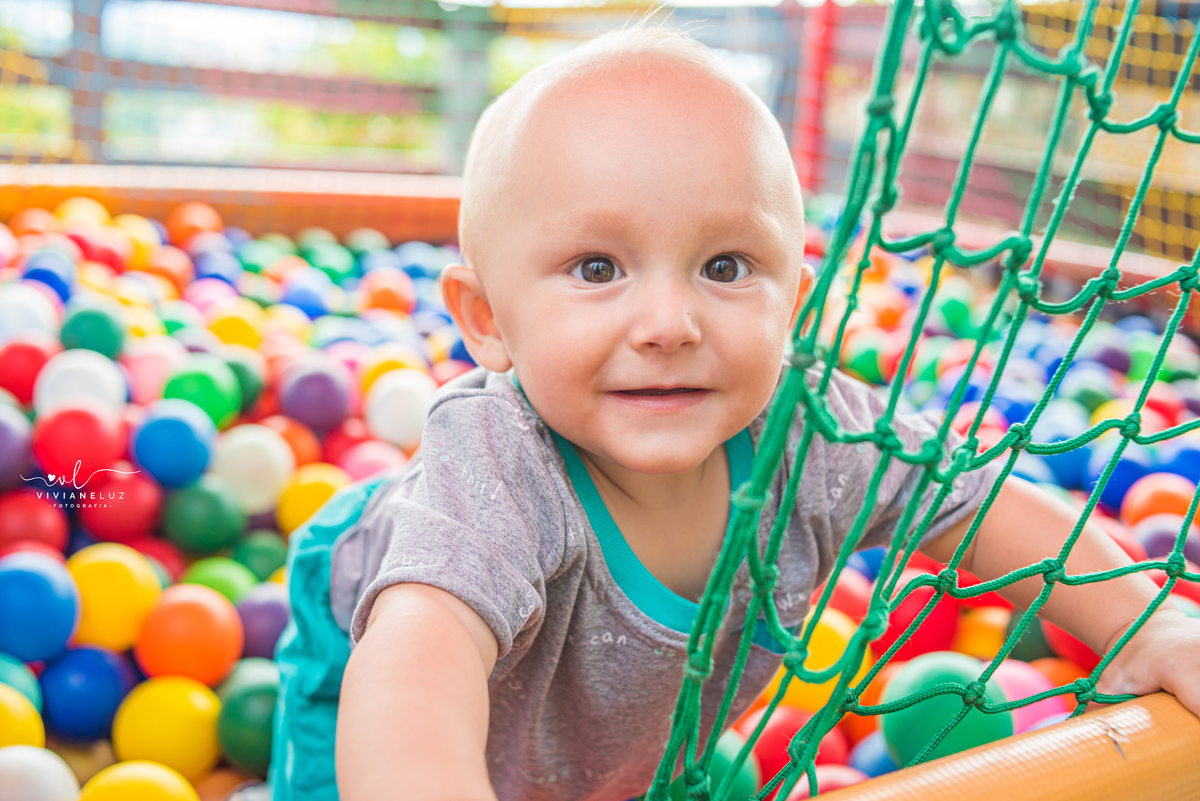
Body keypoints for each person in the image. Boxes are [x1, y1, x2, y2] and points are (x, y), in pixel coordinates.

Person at [276, 19, 1200, 801]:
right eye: (598, 269)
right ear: (486, 320)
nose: (670, 323)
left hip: (588, 730)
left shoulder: (810, 436)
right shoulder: (497, 465)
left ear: (791, 301)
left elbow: (973, 497)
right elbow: (412, 673)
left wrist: (1146, 625)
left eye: (725, 267)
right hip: (360, 664)